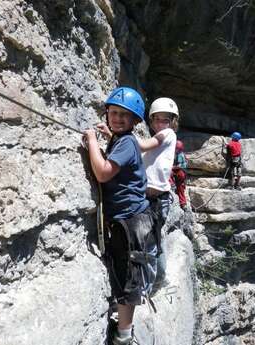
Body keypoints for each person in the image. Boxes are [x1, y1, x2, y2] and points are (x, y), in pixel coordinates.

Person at [85, 86, 157, 345]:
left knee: (129, 276)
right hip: (128, 218)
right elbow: (119, 147)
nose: (116, 118)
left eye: (124, 116)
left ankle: (124, 336)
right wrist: (107, 137)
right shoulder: (122, 138)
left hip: (131, 221)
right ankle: (123, 326)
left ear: (135, 121)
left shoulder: (126, 142)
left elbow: (103, 172)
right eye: (113, 113)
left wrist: (93, 141)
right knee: (124, 269)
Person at [138, 97, 179, 291]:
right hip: (147, 199)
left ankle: (146, 289)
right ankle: (158, 278)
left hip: (157, 201)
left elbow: (143, 145)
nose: (161, 123)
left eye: (165, 120)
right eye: (157, 119)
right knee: (151, 241)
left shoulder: (167, 134)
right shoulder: (156, 142)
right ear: (151, 120)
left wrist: (118, 136)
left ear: (172, 122)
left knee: (149, 243)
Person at [171, 140, 188, 209]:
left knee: (169, 172)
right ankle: (183, 204)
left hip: (180, 172)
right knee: (180, 188)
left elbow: (179, 166)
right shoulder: (181, 154)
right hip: (182, 174)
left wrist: (171, 167)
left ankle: (171, 184)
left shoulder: (180, 155)